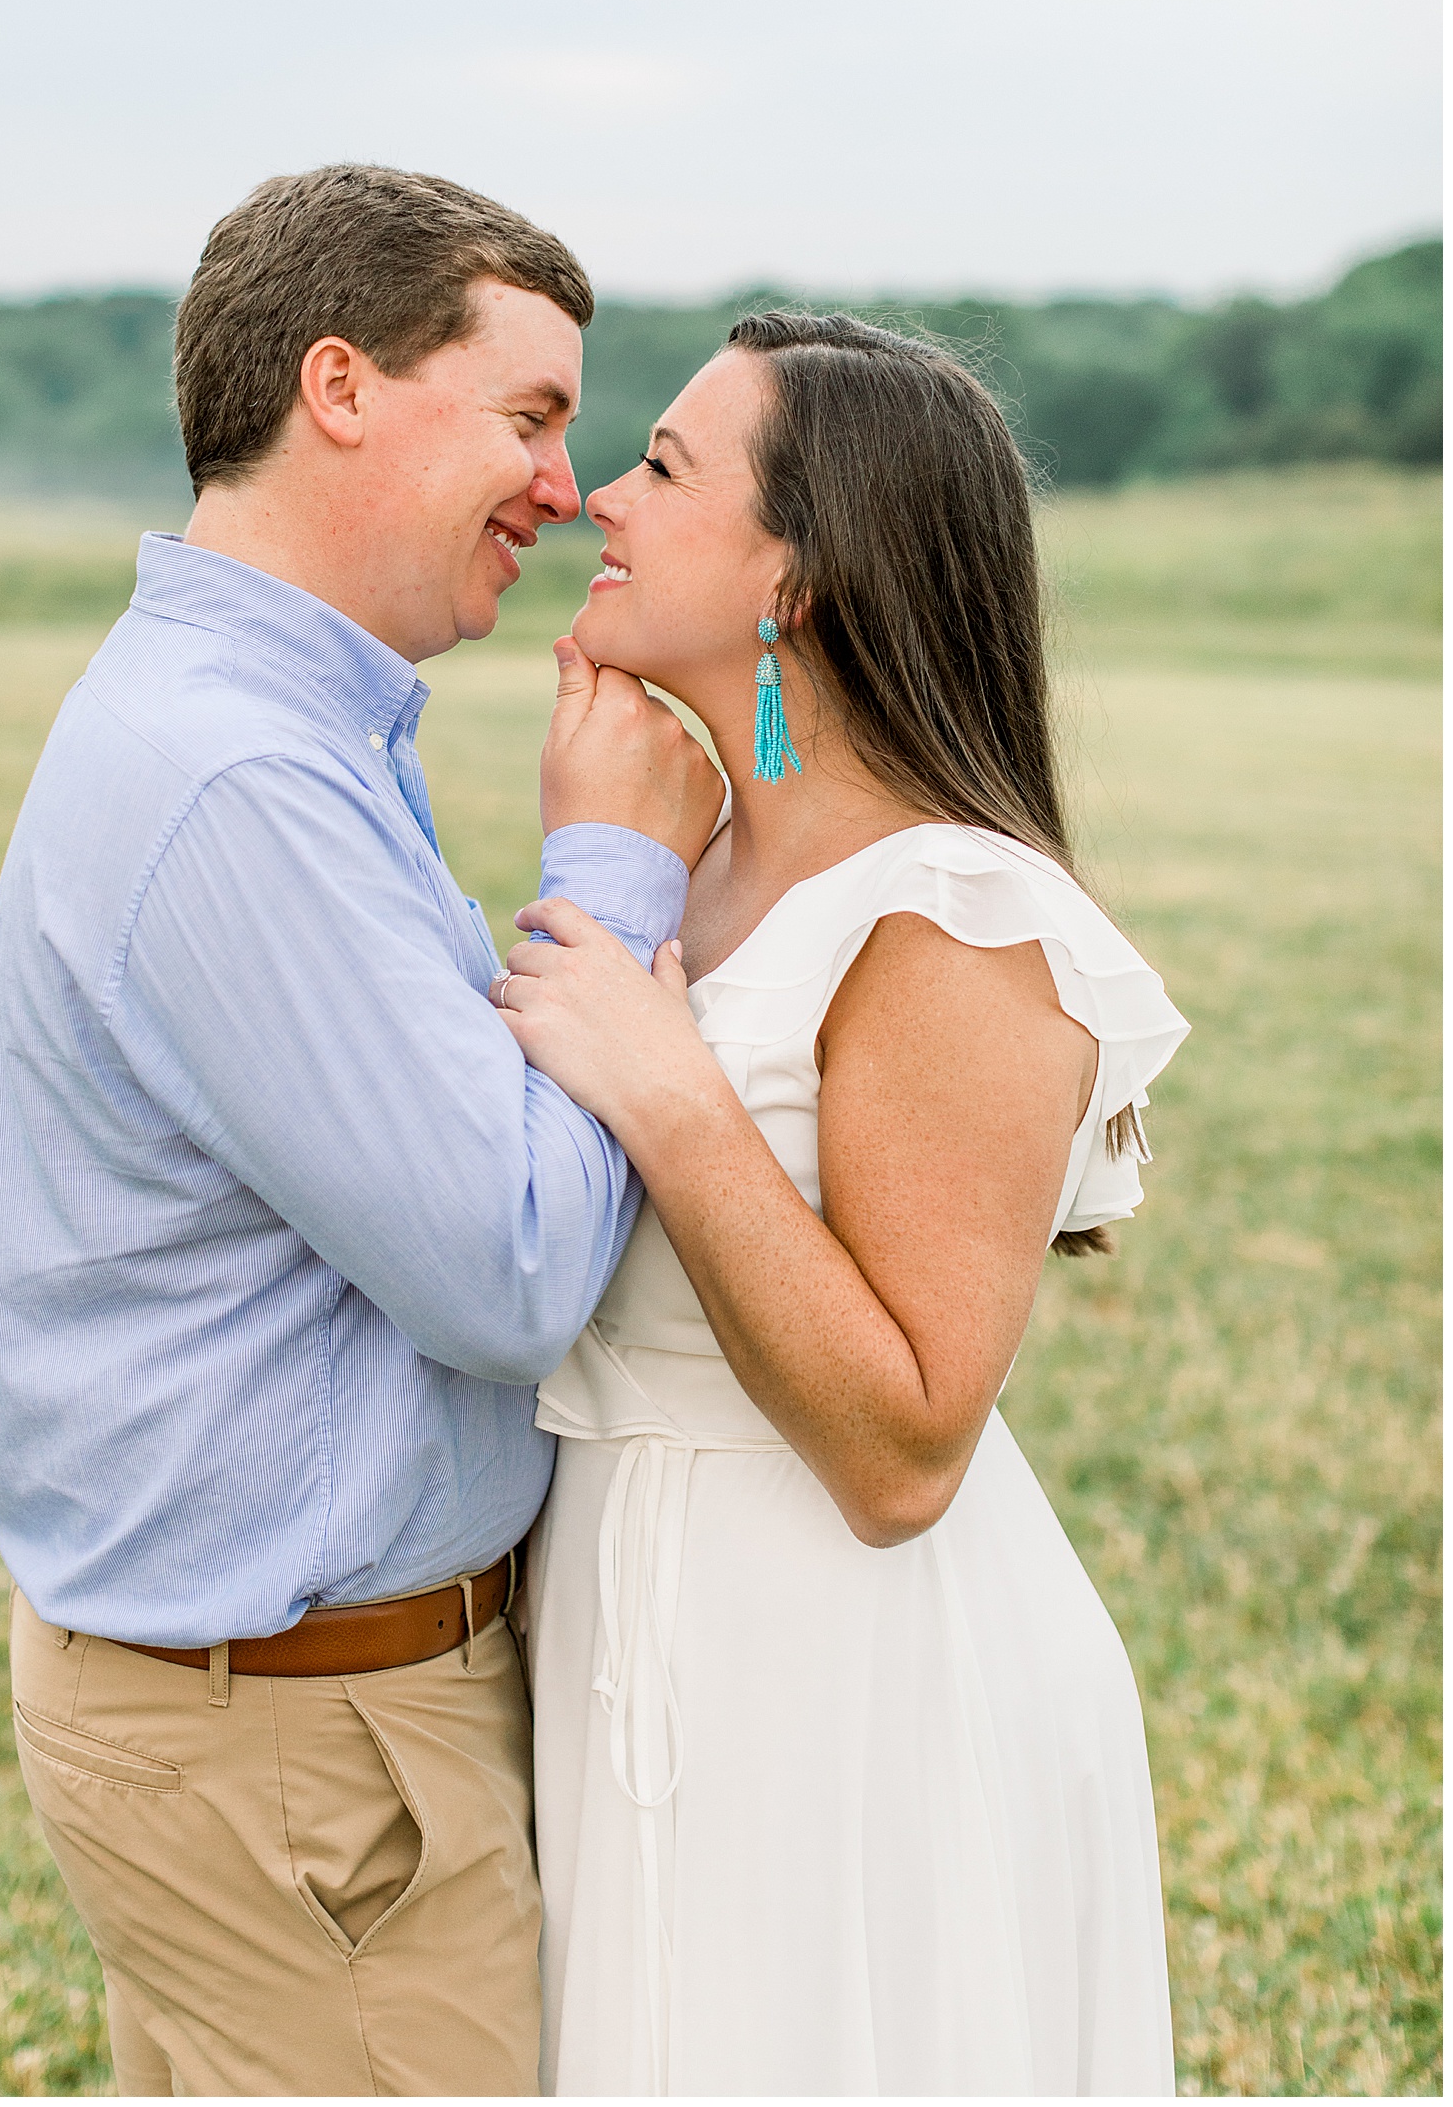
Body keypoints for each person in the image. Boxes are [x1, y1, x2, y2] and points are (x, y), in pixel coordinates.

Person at [0, 164, 723, 2098]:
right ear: (340, 387)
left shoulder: (279, 728)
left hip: (285, 1738)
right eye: (531, 413)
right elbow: (507, 1270)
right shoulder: (239, 773)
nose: (564, 485)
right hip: (310, 1765)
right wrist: (617, 871)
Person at [492, 312, 1190, 2097]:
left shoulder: (953, 914)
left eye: (661, 469)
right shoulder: (694, 866)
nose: (596, 499)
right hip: (632, 1625)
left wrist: (667, 1091)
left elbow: (902, 1456)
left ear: (795, 575)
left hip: (848, 1685)